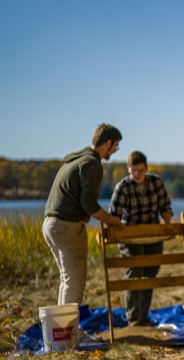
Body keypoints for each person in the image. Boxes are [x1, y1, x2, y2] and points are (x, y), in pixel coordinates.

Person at [43, 124, 124, 305]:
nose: (114, 151)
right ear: (108, 143)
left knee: (67, 280)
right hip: (67, 226)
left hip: (52, 225)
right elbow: (88, 203)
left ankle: (66, 331)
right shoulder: (92, 164)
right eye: (115, 146)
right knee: (74, 282)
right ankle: (71, 332)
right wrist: (112, 220)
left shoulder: (76, 159)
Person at [109, 151, 173, 327]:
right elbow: (114, 215)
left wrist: (168, 225)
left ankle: (144, 316)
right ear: (128, 169)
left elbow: (165, 206)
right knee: (134, 273)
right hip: (131, 237)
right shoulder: (123, 187)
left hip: (153, 234)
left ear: (146, 168)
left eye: (141, 170)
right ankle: (132, 317)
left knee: (150, 274)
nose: (137, 174)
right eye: (133, 171)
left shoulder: (156, 182)